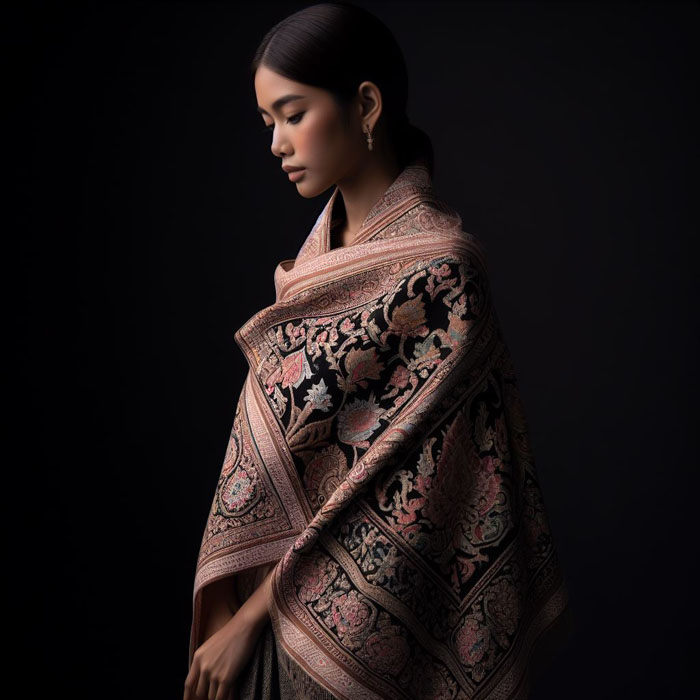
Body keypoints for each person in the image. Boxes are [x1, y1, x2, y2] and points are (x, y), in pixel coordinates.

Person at [184, 3, 574, 699]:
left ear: (364, 104)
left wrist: (249, 617)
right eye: (267, 122)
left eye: (293, 114)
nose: (275, 142)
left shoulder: (443, 276)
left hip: (355, 649)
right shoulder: (313, 269)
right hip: (262, 639)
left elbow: (393, 497)